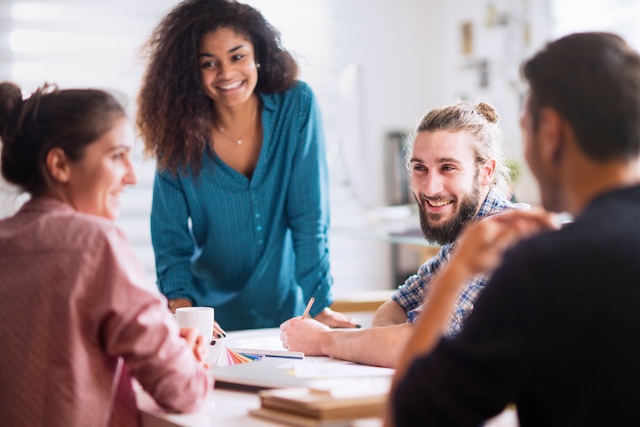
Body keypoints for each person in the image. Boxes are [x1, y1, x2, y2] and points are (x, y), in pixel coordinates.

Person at [391, 32, 640, 427]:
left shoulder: (543, 265)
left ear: (551, 133)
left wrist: (453, 276)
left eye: (525, 129)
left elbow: (413, 416)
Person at [136, 0, 355, 331]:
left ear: (258, 55)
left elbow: (310, 217)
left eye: (237, 56)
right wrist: (184, 314)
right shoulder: (177, 134)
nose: (226, 74)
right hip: (209, 323)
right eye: (208, 63)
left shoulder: (296, 107)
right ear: (189, 72)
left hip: (291, 315)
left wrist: (319, 305)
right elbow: (170, 241)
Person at [0, 82, 210, 427]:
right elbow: (184, 390)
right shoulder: (96, 244)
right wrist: (187, 359)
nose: (131, 175)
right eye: (116, 156)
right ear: (60, 165)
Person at [279, 100, 529, 368]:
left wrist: (324, 342)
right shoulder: (463, 236)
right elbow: (395, 307)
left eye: (448, 168)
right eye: (420, 168)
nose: (430, 188)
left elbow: (419, 344)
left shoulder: (501, 235)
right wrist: (389, 341)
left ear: (486, 172)